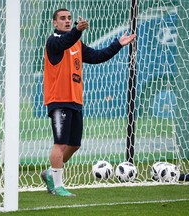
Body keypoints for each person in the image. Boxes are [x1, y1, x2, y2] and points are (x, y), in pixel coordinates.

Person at [41, 8, 137, 197]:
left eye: (69, 18)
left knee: (74, 144)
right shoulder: (53, 42)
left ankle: (51, 174)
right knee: (60, 144)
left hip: (75, 101)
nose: (67, 21)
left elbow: (97, 56)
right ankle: (58, 186)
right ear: (55, 23)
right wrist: (78, 29)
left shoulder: (77, 43)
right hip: (59, 100)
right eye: (62, 19)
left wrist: (118, 44)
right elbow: (64, 41)